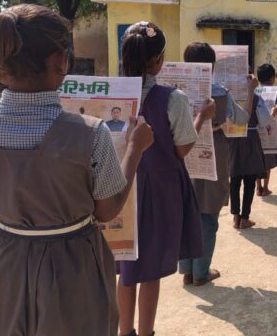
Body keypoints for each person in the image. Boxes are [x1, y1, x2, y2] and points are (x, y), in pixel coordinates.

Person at [0, 4, 153, 335]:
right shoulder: (91, 133)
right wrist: (134, 150)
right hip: (72, 265)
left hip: (4, 261)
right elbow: (107, 210)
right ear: (60, 61)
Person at [117, 22, 214, 336]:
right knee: (150, 271)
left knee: (125, 268)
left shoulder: (113, 93)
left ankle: (124, 331)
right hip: (159, 189)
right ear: (159, 60)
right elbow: (182, 147)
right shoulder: (172, 98)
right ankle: (145, 332)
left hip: (118, 186)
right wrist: (201, 118)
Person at [179, 42, 250, 287]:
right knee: (208, 214)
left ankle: (187, 271)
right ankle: (201, 272)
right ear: (211, 66)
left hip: (182, 151)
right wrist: (249, 92)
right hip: (213, 152)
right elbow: (241, 118)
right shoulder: (220, 93)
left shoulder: (175, 93)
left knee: (187, 211)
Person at [229, 73, 268, 229]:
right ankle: (245, 218)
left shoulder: (228, 98)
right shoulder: (256, 98)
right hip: (251, 140)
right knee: (250, 181)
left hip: (232, 141)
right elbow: (264, 120)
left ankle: (235, 217)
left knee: (234, 179)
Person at [255, 63, 277, 197]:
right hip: (270, 130)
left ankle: (258, 187)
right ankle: (265, 188)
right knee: (268, 161)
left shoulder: (255, 90)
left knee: (257, 159)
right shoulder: (276, 91)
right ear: (272, 78)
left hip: (256, 130)